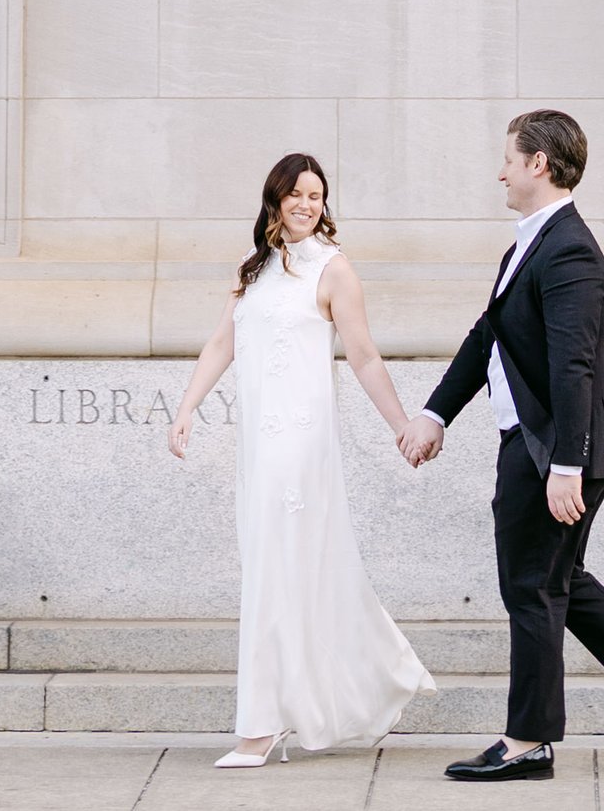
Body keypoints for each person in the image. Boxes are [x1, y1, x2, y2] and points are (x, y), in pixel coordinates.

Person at [398, 109, 604, 783]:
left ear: (539, 163)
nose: (501, 171)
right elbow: (489, 339)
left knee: (531, 588)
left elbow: (575, 366)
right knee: (556, 581)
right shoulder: (529, 246)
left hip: (555, 451)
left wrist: (564, 465)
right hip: (542, 446)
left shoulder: (568, 248)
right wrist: (434, 414)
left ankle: (527, 742)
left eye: (509, 158)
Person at [169, 148, 436, 768]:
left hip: (302, 446)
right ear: (275, 199)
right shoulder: (253, 270)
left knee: (273, 576)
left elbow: (364, 356)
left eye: (316, 195)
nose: (306, 204)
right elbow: (221, 342)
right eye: (296, 194)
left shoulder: (335, 271)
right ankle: (371, 676)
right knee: (276, 573)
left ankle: (259, 729)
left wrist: (403, 427)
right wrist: (186, 408)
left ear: (324, 203)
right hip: (258, 449)